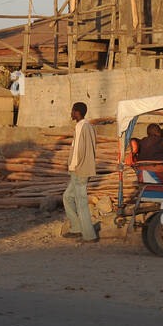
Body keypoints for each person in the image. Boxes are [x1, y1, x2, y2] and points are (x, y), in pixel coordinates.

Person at [62, 102, 98, 243]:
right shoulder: (87, 127)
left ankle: (89, 235)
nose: (71, 113)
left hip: (79, 170)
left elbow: (78, 151)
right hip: (81, 169)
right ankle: (76, 228)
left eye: (72, 110)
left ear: (76, 112)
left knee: (81, 202)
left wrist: (74, 166)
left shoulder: (81, 127)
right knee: (67, 197)